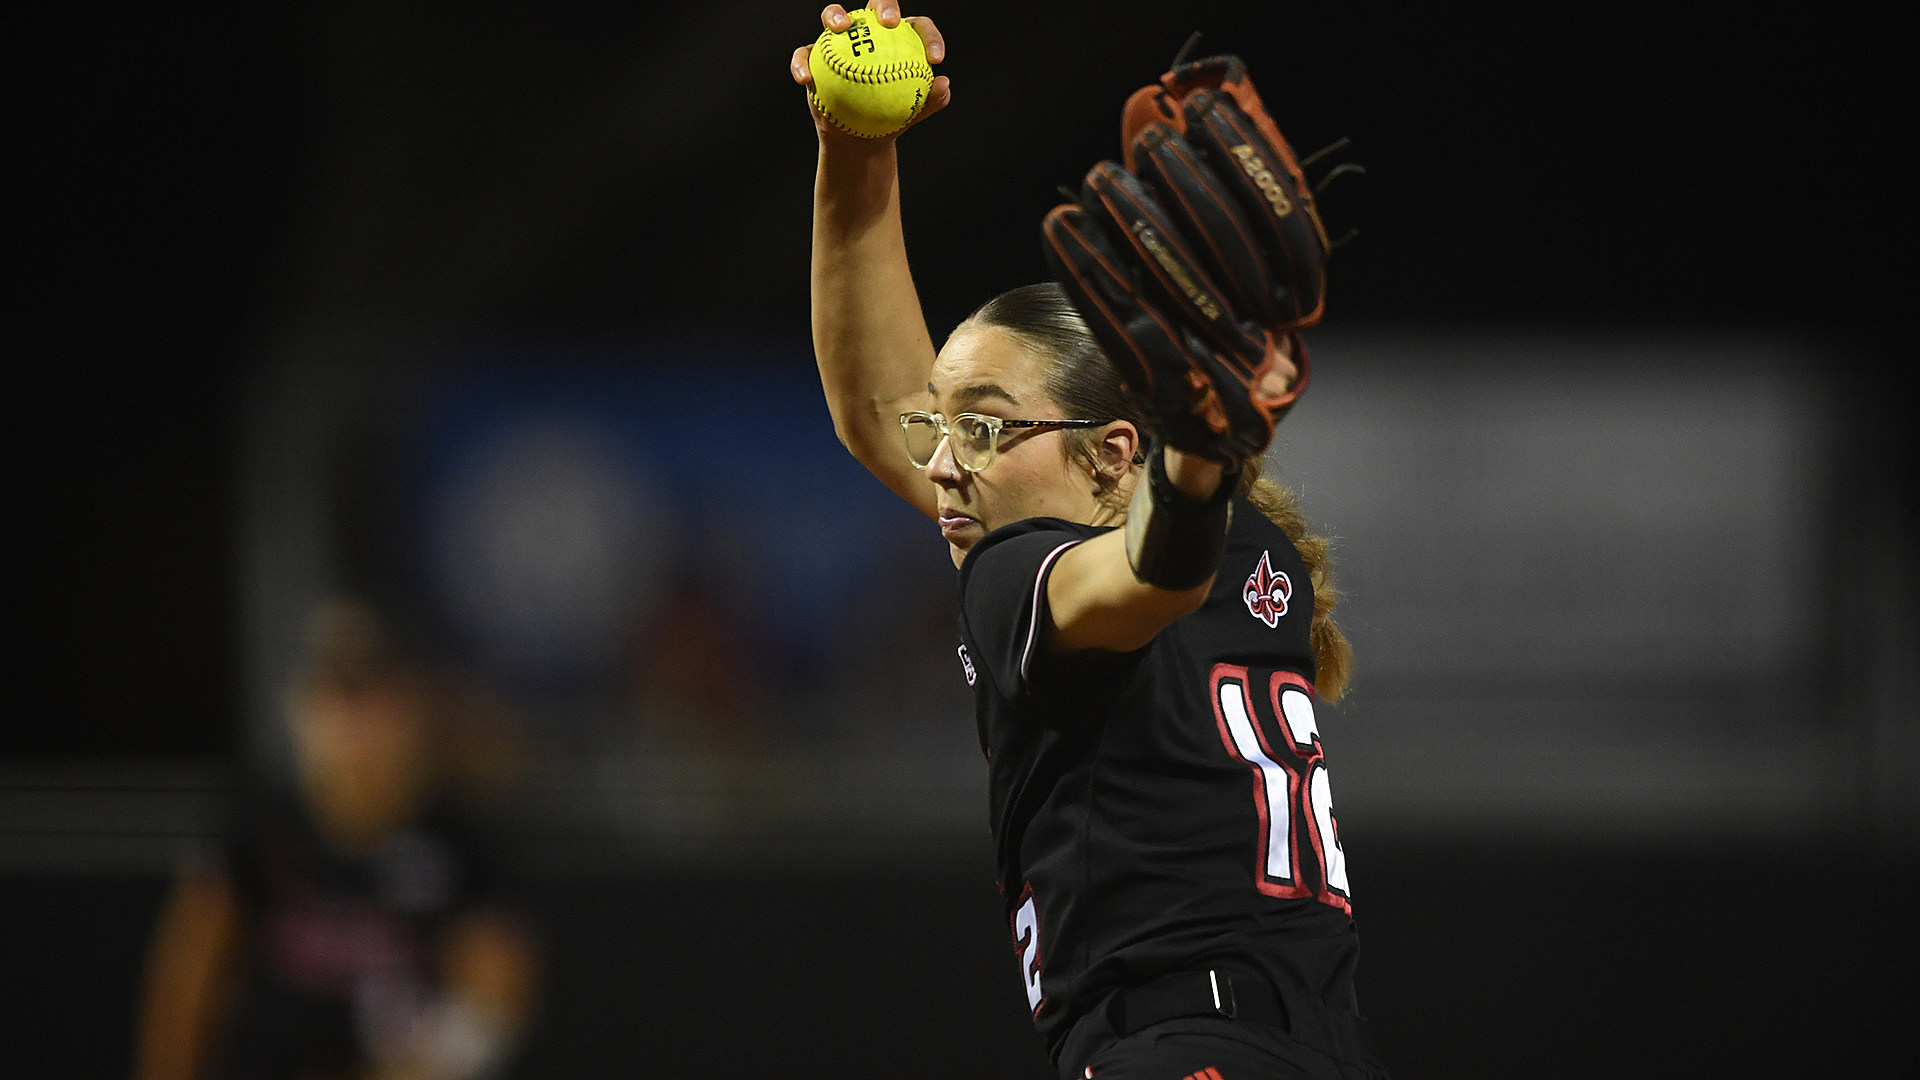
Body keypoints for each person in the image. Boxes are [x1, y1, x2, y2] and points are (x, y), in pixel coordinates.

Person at [792, 5, 1387, 1079]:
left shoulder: (1016, 576)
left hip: (1179, 1049)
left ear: (1115, 452)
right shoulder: (1256, 550)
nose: (937, 460)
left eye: (983, 425)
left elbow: (1140, 582)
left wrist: (1193, 456)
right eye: (945, 426)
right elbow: (883, 409)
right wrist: (854, 152)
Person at [134, 600, 539, 1080]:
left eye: (375, 699)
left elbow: (496, 995)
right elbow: (186, 983)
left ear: (414, 709)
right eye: (337, 696)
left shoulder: (458, 843)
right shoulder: (262, 827)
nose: (354, 728)